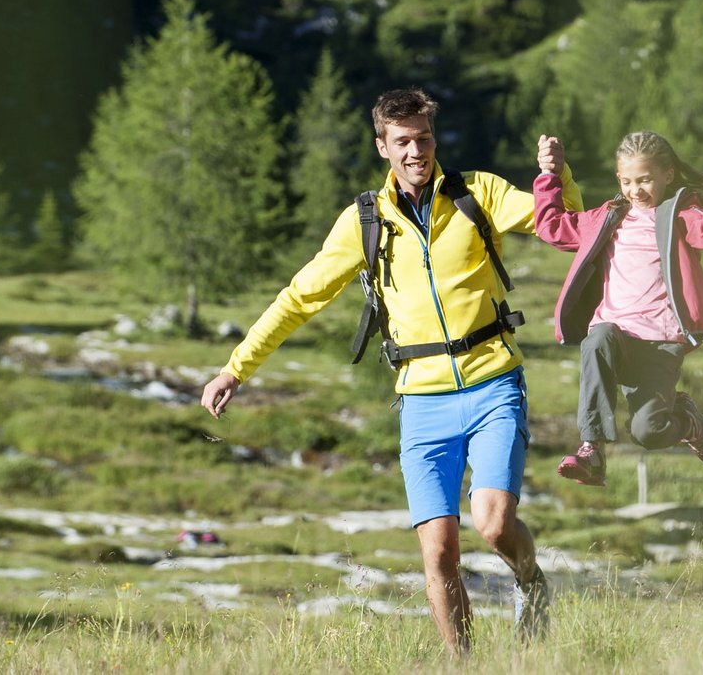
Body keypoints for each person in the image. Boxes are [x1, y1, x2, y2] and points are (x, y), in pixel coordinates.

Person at [197, 88, 580, 656]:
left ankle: (531, 581)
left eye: (424, 138)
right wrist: (236, 368)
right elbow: (299, 297)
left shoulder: (479, 193)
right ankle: (465, 666)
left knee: (495, 525)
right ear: (382, 146)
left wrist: (558, 175)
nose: (416, 151)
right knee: (438, 553)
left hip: (493, 381)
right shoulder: (365, 221)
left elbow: (563, 225)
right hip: (423, 403)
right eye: (402, 141)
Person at [530, 131, 703, 485]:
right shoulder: (608, 218)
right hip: (616, 337)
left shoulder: (678, 215)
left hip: (660, 345)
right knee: (597, 337)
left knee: (649, 431)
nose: (636, 190)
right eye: (627, 181)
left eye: (645, 180)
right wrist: (549, 175)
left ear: (667, 175)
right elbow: (552, 227)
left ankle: (688, 421)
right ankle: (592, 449)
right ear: (618, 180)